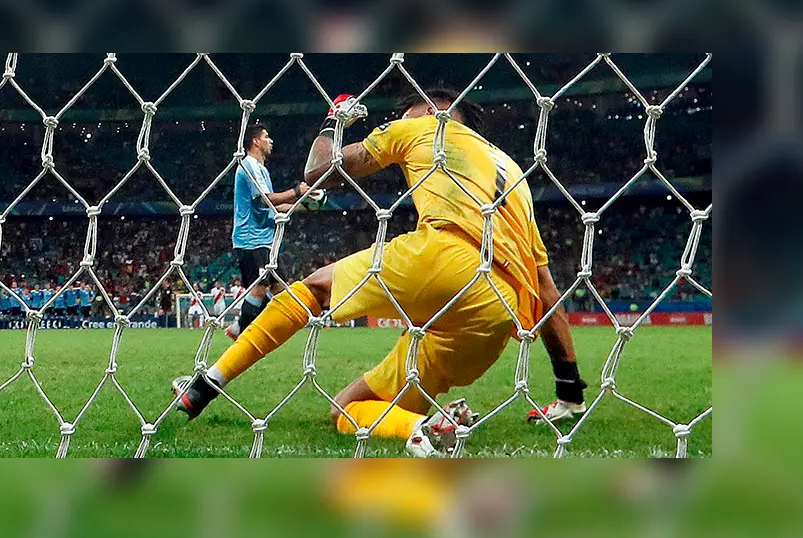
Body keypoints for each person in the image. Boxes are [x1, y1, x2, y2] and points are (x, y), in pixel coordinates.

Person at [173, 90, 588, 456]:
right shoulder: (516, 176)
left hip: (444, 258)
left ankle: (208, 383)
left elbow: (319, 170)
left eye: (407, 112)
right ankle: (421, 427)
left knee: (315, 288)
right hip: (494, 318)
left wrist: (333, 120)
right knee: (345, 410)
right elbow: (547, 289)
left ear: (431, 109)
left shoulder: (423, 127)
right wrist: (569, 389)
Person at [223, 123, 311, 341]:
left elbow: (273, 206)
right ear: (255, 141)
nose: (270, 140)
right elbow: (265, 199)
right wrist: (296, 190)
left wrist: (305, 204)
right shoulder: (249, 165)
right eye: (266, 136)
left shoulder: (261, 169)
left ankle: (245, 327)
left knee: (279, 288)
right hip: (251, 239)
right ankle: (243, 332)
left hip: (265, 239)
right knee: (261, 287)